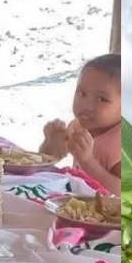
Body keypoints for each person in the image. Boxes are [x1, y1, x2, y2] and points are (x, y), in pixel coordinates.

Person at [41, 54, 121, 193]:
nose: (87, 105)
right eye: (81, 94)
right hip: (76, 206)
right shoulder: (77, 126)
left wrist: (88, 162)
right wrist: (51, 144)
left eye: (102, 99)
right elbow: (43, 166)